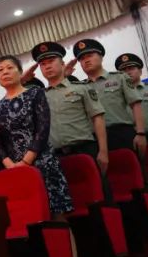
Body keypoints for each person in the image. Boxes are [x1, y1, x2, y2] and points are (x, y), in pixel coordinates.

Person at [0, 55, 74, 217]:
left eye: (10, 68)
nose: (5, 72)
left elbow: (42, 129)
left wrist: (25, 162)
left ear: (20, 71)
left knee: (57, 217)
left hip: (42, 162)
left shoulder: (35, 94)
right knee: (30, 217)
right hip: (15, 170)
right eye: (0, 70)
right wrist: (11, 166)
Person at [34, 42, 109, 172]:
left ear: (62, 64)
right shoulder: (39, 97)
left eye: (51, 61)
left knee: (97, 184)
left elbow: (98, 118)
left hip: (84, 149)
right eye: (43, 64)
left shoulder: (82, 88)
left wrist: (103, 151)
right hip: (56, 156)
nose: (47, 66)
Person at [73, 39, 145, 154]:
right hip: (94, 139)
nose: (86, 60)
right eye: (82, 58)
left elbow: (135, 104)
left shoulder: (119, 78)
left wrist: (140, 133)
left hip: (121, 133)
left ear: (101, 57)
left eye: (90, 55)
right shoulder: (80, 87)